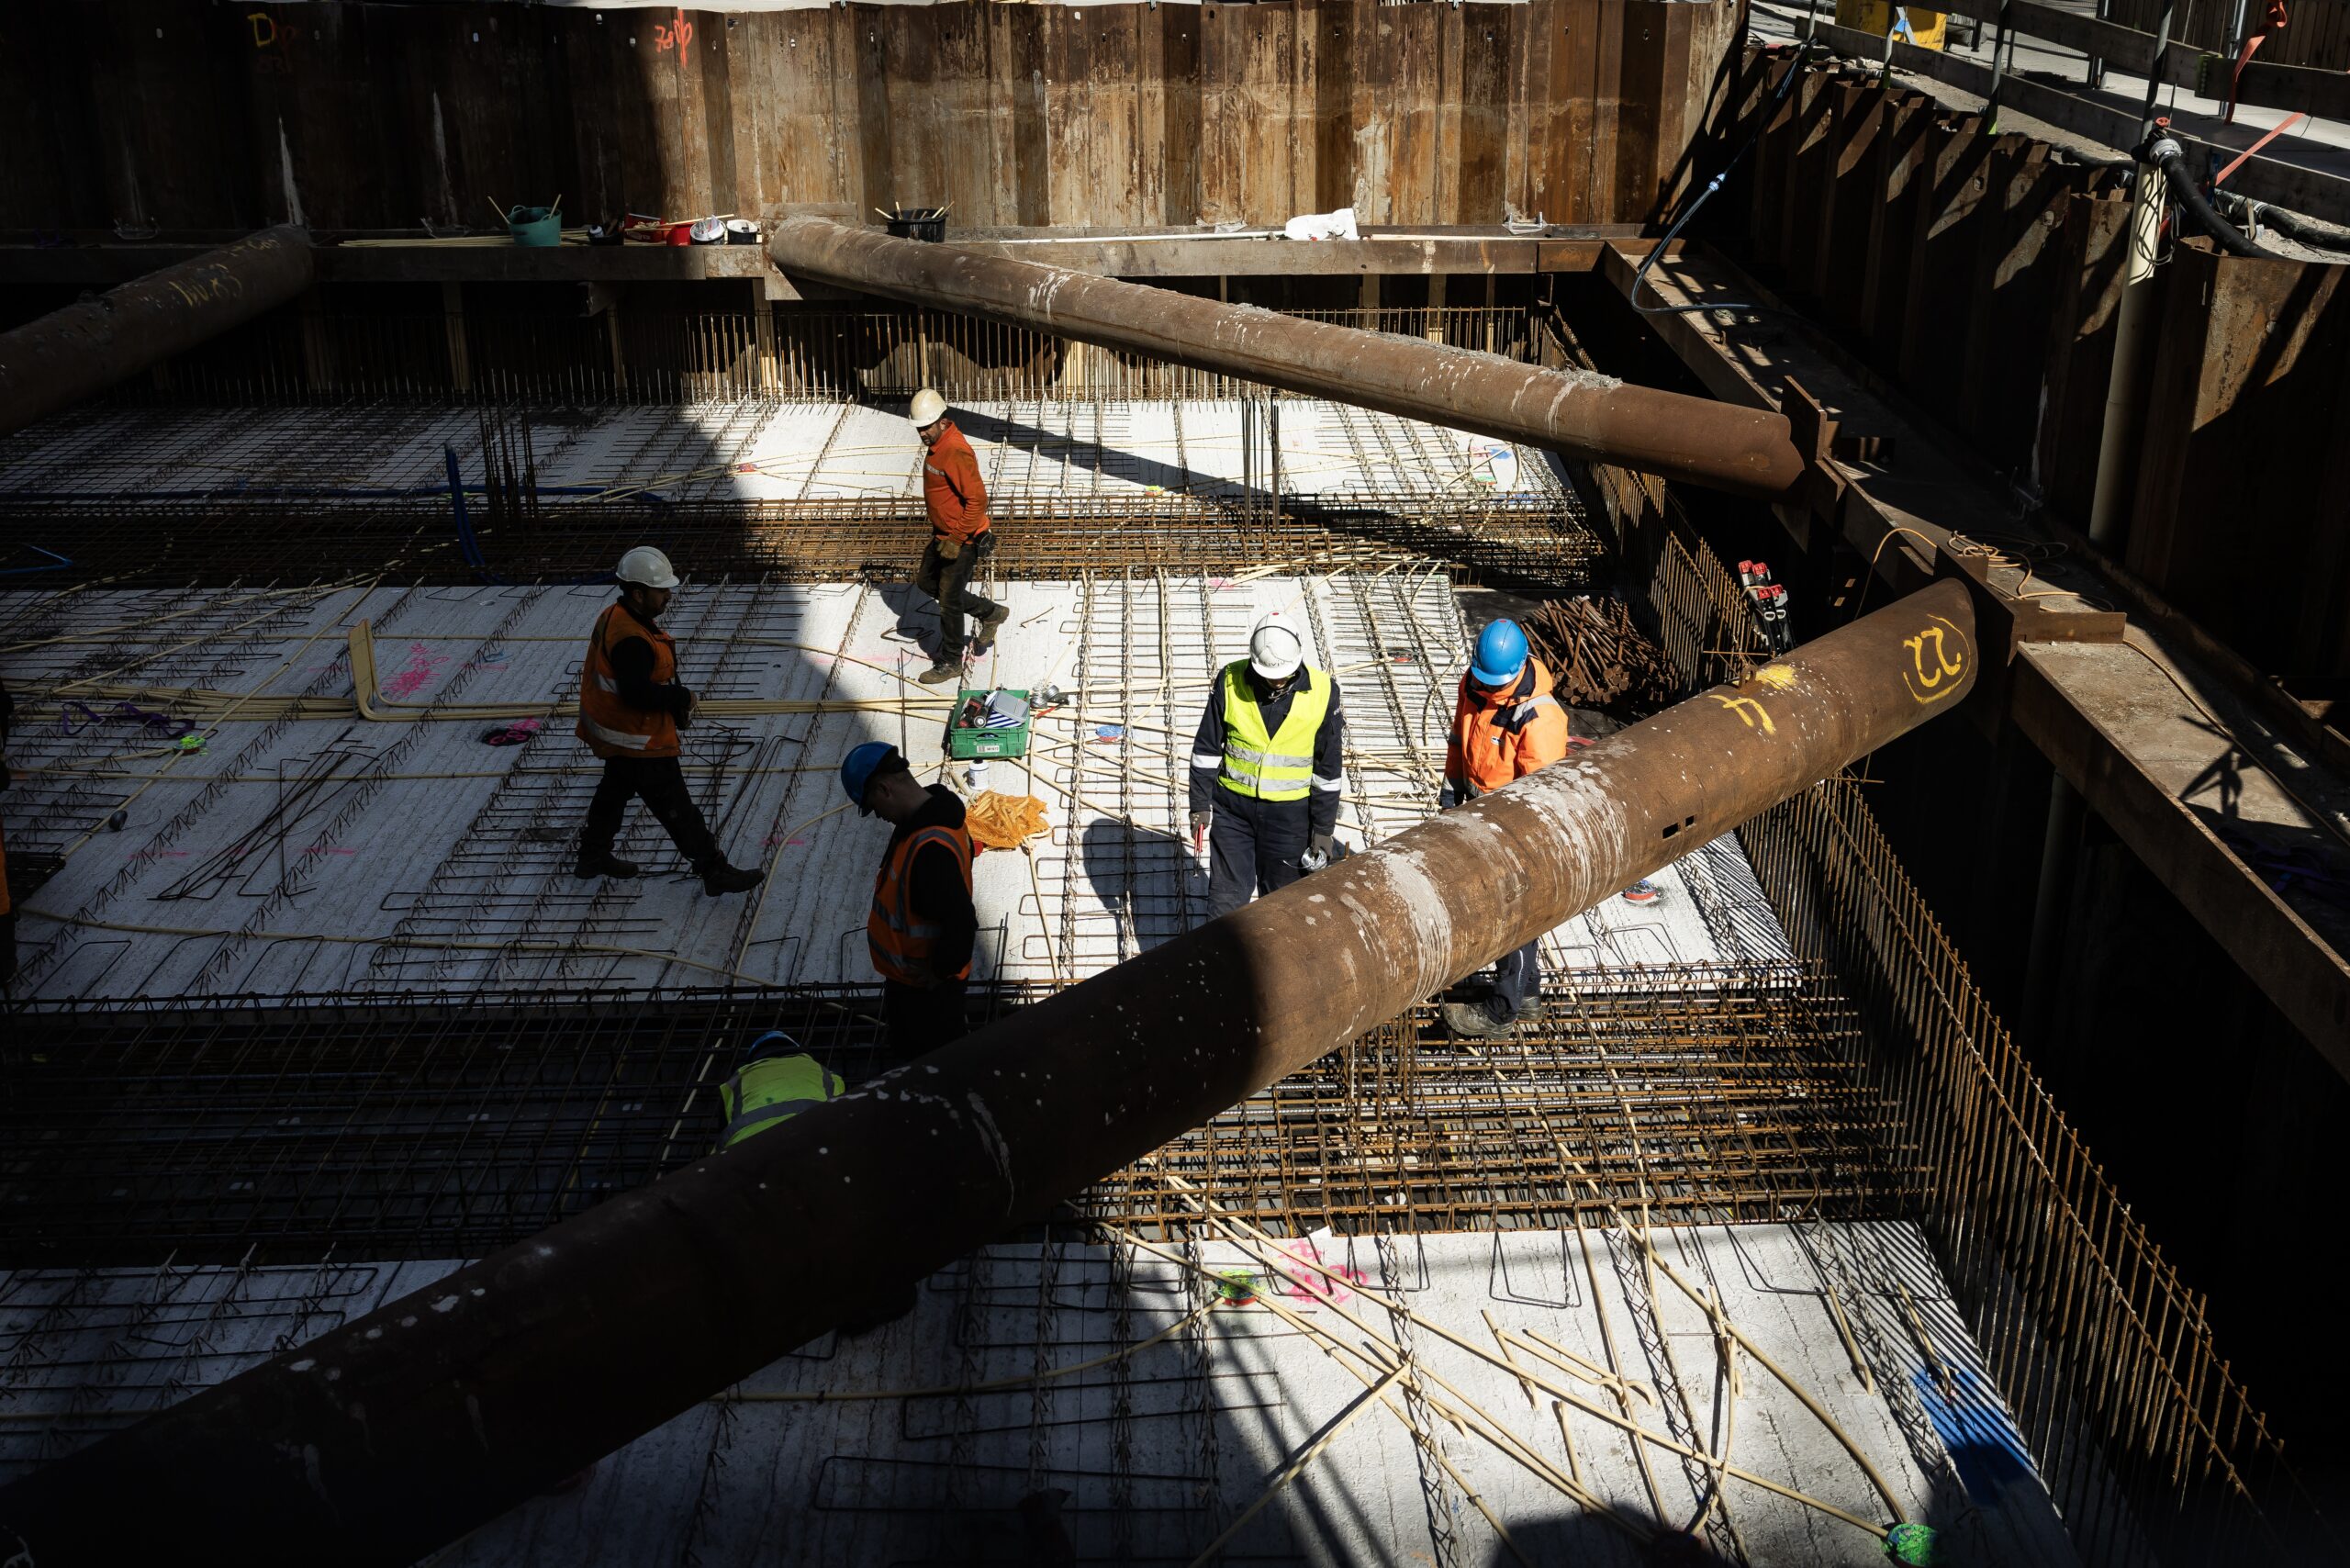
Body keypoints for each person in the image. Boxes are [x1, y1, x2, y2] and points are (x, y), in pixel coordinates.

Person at [574, 545, 764, 895]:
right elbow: (635, 693)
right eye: (661, 591)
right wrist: (680, 697)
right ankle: (714, 870)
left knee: (613, 793)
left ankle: (592, 856)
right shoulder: (632, 639)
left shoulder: (616, 616)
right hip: (636, 737)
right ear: (638, 593)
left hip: (614, 728)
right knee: (677, 807)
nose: (668, 597)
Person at [1438, 618, 1570, 1036]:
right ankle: (1526, 994)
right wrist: (1450, 790)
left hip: (1515, 823)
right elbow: (1460, 740)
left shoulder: (1539, 717)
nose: (1489, 689)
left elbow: (1540, 793)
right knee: (1507, 910)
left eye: (1496, 683)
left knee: (1511, 912)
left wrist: (1522, 840)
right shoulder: (1474, 684)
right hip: (1479, 810)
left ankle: (1502, 1009)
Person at [1188, 611, 1346, 920]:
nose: (1277, 681)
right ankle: (1220, 964)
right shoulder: (1230, 681)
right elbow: (1206, 750)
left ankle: (1276, 965)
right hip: (1233, 812)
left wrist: (1323, 830)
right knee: (1226, 900)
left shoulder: (1324, 693)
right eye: (1270, 676)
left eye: (1283, 675)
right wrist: (1199, 804)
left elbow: (1328, 770)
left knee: (1283, 904)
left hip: (1289, 818)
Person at [844, 742, 979, 1058]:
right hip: (912, 983)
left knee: (930, 1067)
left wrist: (938, 975)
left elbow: (961, 921)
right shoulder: (932, 814)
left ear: (884, 788)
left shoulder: (929, 848)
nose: (879, 817)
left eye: (874, 807)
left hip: (929, 993)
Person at [909, 387, 1007, 686]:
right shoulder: (938, 445)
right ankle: (990, 612)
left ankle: (951, 661)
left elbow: (977, 500)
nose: (923, 433)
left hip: (963, 539)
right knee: (926, 582)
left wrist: (956, 538)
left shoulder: (955, 450)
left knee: (949, 599)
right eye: (919, 428)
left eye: (926, 426)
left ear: (941, 421)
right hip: (944, 534)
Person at [717, 1030, 846, 1148]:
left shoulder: (738, 1079)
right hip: (817, 1135)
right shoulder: (825, 1073)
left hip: (749, 1144)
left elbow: (723, 1129)